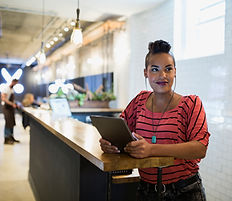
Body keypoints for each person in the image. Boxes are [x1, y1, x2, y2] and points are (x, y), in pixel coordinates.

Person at [99, 40, 210, 201]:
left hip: (185, 191)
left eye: (168, 69)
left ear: (175, 72)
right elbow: (119, 130)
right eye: (155, 69)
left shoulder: (191, 103)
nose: (162, 76)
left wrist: (151, 149)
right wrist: (109, 142)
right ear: (146, 72)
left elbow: (200, 148)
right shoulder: (139, 101)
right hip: (146, 190)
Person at [1, 79, 20, 144]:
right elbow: (3, 99)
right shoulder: (6, 89)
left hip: (10, 108)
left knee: (12, 123)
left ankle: (11, 137)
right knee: (8, 122)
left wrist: (15, 103)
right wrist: (12, 104)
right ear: (13, 82)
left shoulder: (12, 89)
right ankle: (6, 138)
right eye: (15, 83)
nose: (16, 85)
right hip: (6, 108)